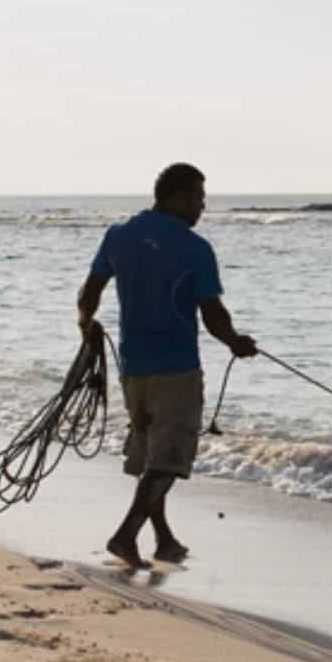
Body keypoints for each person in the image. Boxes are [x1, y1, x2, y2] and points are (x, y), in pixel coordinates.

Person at [77, 163, 256, 570]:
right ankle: (126, 535)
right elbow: (212, 314)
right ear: (176, 196)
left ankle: (164, 541)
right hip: (176, 368)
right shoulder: (195, 249)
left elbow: (89, 294)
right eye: (198, 198)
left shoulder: (118, 236)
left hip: (133, 367)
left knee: (152, 457)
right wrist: (237, 343)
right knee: (166, 461)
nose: (202, 207)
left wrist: (86, 328)